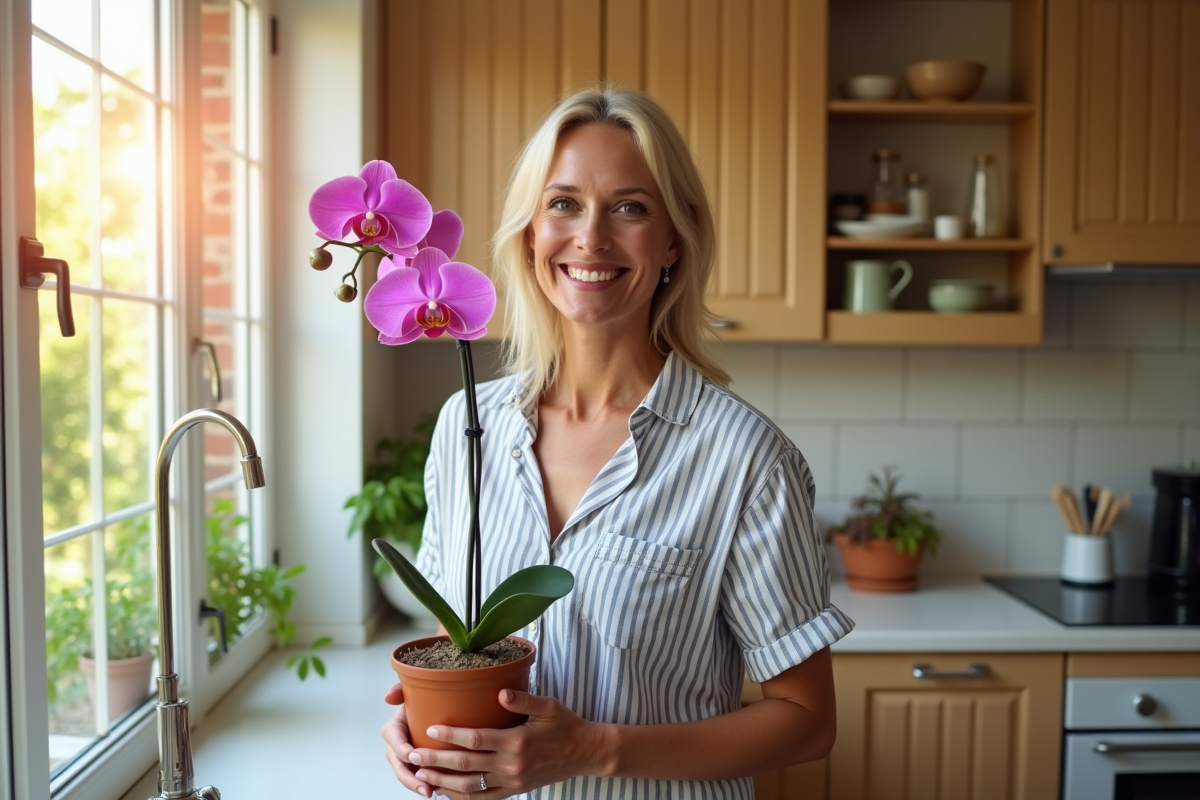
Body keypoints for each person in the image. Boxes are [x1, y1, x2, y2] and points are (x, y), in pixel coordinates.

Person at [381, 84, 854, 800]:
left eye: (630, 208)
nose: (591, 238)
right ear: (530, 234)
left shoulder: (744, 459)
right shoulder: (467, 427)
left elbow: (808, 723)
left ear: (673, 241)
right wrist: (417, 727)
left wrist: (591, 750)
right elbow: (456, 647)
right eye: (563, 204)